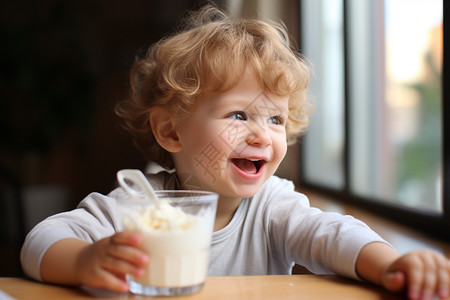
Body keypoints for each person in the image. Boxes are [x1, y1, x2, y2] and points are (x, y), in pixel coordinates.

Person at [21, 5, 449, 300]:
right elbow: (40, 241)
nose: (263, 136)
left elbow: (334, 236)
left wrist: (392, 265)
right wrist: (84, 260)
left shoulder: (274, 207)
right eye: (239, 115)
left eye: (276, 120)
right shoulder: (137, 208)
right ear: (171, 131)